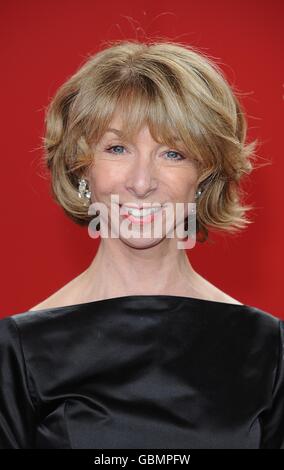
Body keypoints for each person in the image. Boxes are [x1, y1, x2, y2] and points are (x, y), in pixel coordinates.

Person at [0, 39, 283, 449]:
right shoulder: (17, 353)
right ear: (82, 168)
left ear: (204, 175)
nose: (141, 182)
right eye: (117, 148)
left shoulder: (268, 350)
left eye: (173, 153)